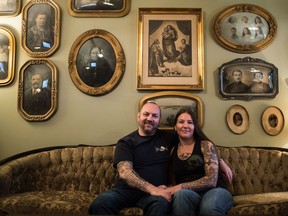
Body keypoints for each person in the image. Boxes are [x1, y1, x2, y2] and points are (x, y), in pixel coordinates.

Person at [88, 101, 233, 215]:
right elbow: (125, 173)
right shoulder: (126, 142)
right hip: (126, 191)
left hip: (156, 194)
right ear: (138, 116)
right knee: (100, 203)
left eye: (154, 116)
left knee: (161, 203)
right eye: (146, 114)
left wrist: (219, 161)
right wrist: (152, 189)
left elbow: (194, 142)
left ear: (159, 120)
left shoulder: (167, 137)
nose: (149, 119)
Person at [166, 108, 234, 215]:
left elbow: (211, 181)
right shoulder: (172, 151)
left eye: (190, 122)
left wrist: (179, 187)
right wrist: (170, 188)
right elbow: (172, 181)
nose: (185, 125)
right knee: (180, 195)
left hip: (215, 191)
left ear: (195, 127)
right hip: (189, 195)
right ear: (175, 127)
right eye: (181, 122)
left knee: (208, 207)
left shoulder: (205, 145)